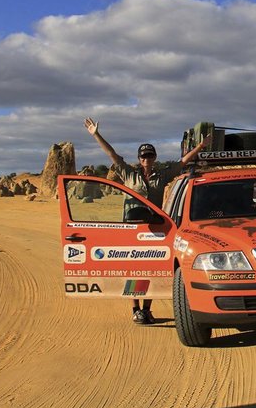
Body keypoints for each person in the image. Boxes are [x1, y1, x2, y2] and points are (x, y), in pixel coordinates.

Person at [84, 117, 211, 325]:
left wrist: (201, 146)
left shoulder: (161, 176)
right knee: (135, 270)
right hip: (132, 228)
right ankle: (136, 309)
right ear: (139, 158)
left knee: (152, 269)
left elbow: (182, 163)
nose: (147, 159)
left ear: (154, 157)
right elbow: (112, 154)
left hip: (154, 228)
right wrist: (96, 134)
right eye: (143, 156)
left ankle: (147, 309)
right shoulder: (128, 173)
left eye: (150, 155)